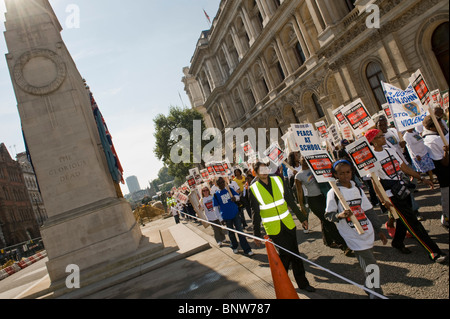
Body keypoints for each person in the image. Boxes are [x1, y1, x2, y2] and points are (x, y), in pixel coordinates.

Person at [366, 129, 446, 263]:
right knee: (413, 223)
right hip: (391, 194)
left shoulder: (389, 150)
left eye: (382, 135)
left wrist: (421, 178)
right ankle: (434, 251)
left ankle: (397, 242)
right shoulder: (371, 158)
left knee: (404, 220)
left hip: (402, 188)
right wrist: (383, 200)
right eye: (380, 137)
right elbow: (374, 182)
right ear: (373, 141)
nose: (383, 138)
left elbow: (403, 167)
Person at [325, 160, 387, 298]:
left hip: (366, 231)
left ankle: (369, 286)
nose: (345, 176)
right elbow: (329, 215)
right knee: (372, 265)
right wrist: (340, 215)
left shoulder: (357, 189)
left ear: (352, 172)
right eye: (341, 173)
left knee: (368, 264)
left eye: (348, 172)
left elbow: (368, 210)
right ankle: (376, 293)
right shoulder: (333, 192)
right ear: (335, 175)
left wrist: (379, 230)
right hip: (352, 234)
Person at [250, 161, 315, 292]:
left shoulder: (278, 180)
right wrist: (256, 234)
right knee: (285, 255)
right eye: (260, 170)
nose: (263, 172)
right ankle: (282, 284)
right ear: (255, 173)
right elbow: (255, 213)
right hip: (274, 228)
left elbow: (290, 200)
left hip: (288, 223)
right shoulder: (253, 189)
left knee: (295, 254)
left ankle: (303, 283)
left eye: (265, 169)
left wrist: (302, 218)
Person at [295, 156, 350, 254]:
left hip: (323, 196)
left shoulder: (315, 169)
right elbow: (299, 192)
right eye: (302, 158)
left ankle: (328, 241)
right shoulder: (298, 176)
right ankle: (343, 245)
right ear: (299, 160)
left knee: (324, 220)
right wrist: (301, 206)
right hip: (313, 200)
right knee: (327, 220)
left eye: (305, 157)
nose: (304, 159)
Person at [213, 177, 254, 256]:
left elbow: (238, 196)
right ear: (217, 185)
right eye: (220, 183)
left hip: (235, 214)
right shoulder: (215, 195)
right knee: (231, 233)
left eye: (223, 182)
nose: (222, 184)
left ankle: (247, 249)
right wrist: (220, 218)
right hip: (226, 216)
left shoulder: (230, 189)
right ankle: (234, 247)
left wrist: (235, 198)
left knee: (240, 232)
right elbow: (216, 208)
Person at [422, 115, 449, 229]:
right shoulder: (430, 141)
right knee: (447, 198)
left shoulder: (443, 133)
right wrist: (446, 152)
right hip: (445, 174)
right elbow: (444, 163)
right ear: (432, 128)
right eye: (440, 124)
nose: (442, 126)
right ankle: (446, 218)